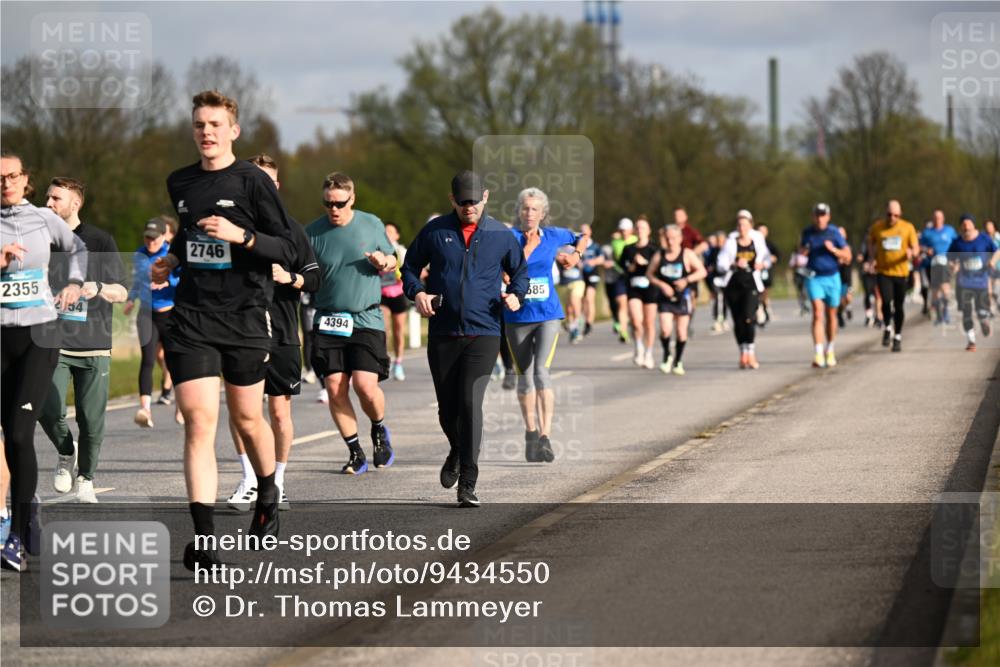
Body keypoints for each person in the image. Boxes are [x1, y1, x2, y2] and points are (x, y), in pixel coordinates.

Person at [151, 91, 298, 570]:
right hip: (192, 317)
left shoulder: (254, 182)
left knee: (247, 420)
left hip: (246, 317)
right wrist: (172, 258)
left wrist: (243, 237)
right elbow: (191, 234)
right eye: (199, 125)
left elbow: (287, 249)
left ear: (233, 130)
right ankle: (205, 539)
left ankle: (268, 489)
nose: (206, 132)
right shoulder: (179, 181)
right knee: (198, 421)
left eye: (215, 124)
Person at [402, 171, 527, 507]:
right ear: (452, 200)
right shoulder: (435, 231)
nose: (468, 207)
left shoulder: (500, 235)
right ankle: (457, 449)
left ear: (485, 197)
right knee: (447, 409)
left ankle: (468, 482)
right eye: (462, 201)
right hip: (443, 331)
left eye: (473, 200)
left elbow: (520, 273)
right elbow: (410, 267)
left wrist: (516, 294)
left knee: (471, 403)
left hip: (483, 332)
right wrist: (417, 293)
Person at [1, 151, 86, 571]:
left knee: (19, 433)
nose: (6, 183)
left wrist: (73, 282)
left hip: (40, 334)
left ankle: (16, 535)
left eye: (12, 176)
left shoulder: (42, 218)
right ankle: (26, 502)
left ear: (25, 179)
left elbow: (78, 247)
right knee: (6, 435)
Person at [226, 154, 318, 513]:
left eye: (268, 181)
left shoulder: (292, 229)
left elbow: (315, 278)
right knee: (241, 412)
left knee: (279, 412)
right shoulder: (228, 227)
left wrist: (289, 278)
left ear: (276, 187)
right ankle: (250, 479)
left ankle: (277, 482)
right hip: (239, 332)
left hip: (280, 332)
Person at [38, 177, 127, 503]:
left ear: (74, 204)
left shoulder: (100, 241)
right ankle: (65, 452)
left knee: (91, 421)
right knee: (49, 410)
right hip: (52, 342)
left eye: (55, 199)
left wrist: (98, 288)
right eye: (47, 198)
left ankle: (87, 477)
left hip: (94, 344)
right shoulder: (40, 240)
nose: (47, 204)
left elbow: (122, 290)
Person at [307, 172, 395, 477]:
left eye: (340, 203)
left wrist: (384, 261)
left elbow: (394, 258)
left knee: (365, 386)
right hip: (329, 320)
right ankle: (355, 452)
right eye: (328, 203)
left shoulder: (371, 223)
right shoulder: (313, 233)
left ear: (352, 199)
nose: (333, 209)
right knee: (334, 387)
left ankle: (379, 429)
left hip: (366, 317)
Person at [504, 187, 588, 462]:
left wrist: (574, 256)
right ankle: (530, 431)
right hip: (517, 317)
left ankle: (545, 437)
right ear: (519, 211)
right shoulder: (508, 237)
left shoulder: (553, 236)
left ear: (543, 213)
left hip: (548, 314)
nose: (529, 213)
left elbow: (583, 237)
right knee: (524, 377)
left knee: (541, 372)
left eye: (534, 209)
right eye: (525, 208)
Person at [123, 217, 180, 427]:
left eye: (154, 239)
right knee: (148, 359)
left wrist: (167, 280)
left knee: (175, 360)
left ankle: (180, 406)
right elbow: (138, 281)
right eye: (147, 238)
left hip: (170, 313)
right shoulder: (140, 254)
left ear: (163, 237)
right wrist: (131, 298)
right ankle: (145, 410)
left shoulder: (174, 253)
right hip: (146, 313)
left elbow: (183, 279)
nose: (150, 242)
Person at [647, 224, 707, 375]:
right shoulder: (659, 255)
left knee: (681, 332)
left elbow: (702, 272)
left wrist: (686, 280)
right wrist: (661, 285)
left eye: (673, 238)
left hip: (682, 297)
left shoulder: (687, 254)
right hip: (665, 298)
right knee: (666, 329)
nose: (670, 241)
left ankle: (678, 361)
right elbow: (649, 274)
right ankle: (667, 355)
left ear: (680, 239)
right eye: (667, 238)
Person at [799, 203, 852, 368]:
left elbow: (848, 256)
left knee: (831, 314)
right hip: (814, 277)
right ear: (813, 216)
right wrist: (803, 252)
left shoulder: (834, 232)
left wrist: (834, 250)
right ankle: (818, 352)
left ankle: (830, 349)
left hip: (832, 277)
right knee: (817, 313)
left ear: (828, 217)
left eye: (823, 215)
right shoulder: (807, 233)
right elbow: (799, 254)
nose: (820, 218)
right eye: (817, 215)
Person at [716, 210, 770, 369]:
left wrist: (763, 264)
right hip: (733, 283)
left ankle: (751, 351)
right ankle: (743, 352)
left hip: (751, 282)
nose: (742, 227)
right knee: (738, 320)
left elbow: (767, 258)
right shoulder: (731, 242)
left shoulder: (757, 240)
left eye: (745, 224)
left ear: (750, 226)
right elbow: (720, 263)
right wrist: (733, 264)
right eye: (739, 224)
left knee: (749, 317)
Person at [867, 200, 919, 352]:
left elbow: (915, 247)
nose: (892, 218)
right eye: (889, 215)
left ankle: (897, 336)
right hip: (884, 271)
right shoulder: (878, 227)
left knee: (899, 305)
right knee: (886, 301)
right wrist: (872, 257)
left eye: (895, 215)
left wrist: (912, 253)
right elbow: (870, 241)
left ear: (900, 214)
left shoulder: (907, 227)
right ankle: (887, 327)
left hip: (901, 272)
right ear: (886, 214)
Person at [948, 214, 999, 351]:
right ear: (960, 228)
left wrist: (993, 262)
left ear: (973, 225)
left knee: (982, 311)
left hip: (981, 281)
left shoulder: (984, 239)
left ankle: (984, 321)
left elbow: (997, 251)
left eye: (968, 226)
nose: (966, 229)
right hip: (963, 282)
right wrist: (954, 266)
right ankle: (971, 340)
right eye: (963, 227)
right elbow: (950, 258)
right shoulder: (957, 242)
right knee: (966, 312)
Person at [619, 216, 658, 369]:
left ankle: (648, 353)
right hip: (634, 287)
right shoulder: (629, 249)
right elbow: (624, 268)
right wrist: (634, 264)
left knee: (649, 322)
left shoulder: (654, 249)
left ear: (648, 231)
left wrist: (647, 264)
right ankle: (639, 347)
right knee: (636, 321)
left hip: (650, 288)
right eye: (638, 227)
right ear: (635, 231)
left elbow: (658, 269)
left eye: (643, 228)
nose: (640, 230)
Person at [380, 221, 409, 381]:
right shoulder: (377, 250)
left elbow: (410, 271)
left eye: (391, 232)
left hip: (398, 293)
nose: (387, 234)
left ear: (397, 235)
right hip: (381, 293)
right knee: (384, 329)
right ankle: (384, 360)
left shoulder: (401, 251)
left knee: (398, 331)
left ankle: (399, 363)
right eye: (385, 232)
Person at [920, 209, 958, 325]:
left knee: (945, 288)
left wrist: (956, 261)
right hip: (931, 264)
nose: (937, 219)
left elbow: (957, 244)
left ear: (943, 218)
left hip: (946, 263)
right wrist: (926, 249)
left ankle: (945, 312)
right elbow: (919, 245)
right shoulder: (927, 232)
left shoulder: (950, 230)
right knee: (935, 291)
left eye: (939, 217)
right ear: (933, 219)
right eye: (935, 217)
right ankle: (939, 315)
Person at [608, 219, 637, 343]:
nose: (624, 232)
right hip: (620, 275)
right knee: (621, 302)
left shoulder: (636, 240)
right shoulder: (615, 243)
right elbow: (613, 258)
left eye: (626, 230)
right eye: (622, 230)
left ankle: (631, 323)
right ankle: (623, 331)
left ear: (631, 230)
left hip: (634, 276)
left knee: (632, 305)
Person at [579, 223, 602, 337]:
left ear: (590, 232)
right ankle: (582, 320)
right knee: (582, 300)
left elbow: (601, 258)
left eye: (586, 231)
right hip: (581, 276)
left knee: (589, 298)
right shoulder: (578, 245)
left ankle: (589, 323)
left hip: (593, 274)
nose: (584, 234)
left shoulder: (595, 246)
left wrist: (594, 262)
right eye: (582, 232)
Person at [757, 224, 780, 327]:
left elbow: (778, 255)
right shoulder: (753, 242)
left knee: (764, 291)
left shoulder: (769, 244)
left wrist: (772, 259)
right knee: (757, 291)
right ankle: (760, 310)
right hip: (756, 272)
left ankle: (766, 308)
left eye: (763, 231)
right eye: (759, 231)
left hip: (766, 271)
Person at [836, 226, 856, 328]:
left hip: (846, 277)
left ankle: (848, 307)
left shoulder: (848, 247)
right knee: (839, 300)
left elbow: (849, 259)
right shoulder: (834, 247)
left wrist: (843, 258)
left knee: (848, 297)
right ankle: (839, 315)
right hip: (836, 277)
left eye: (842, 234)